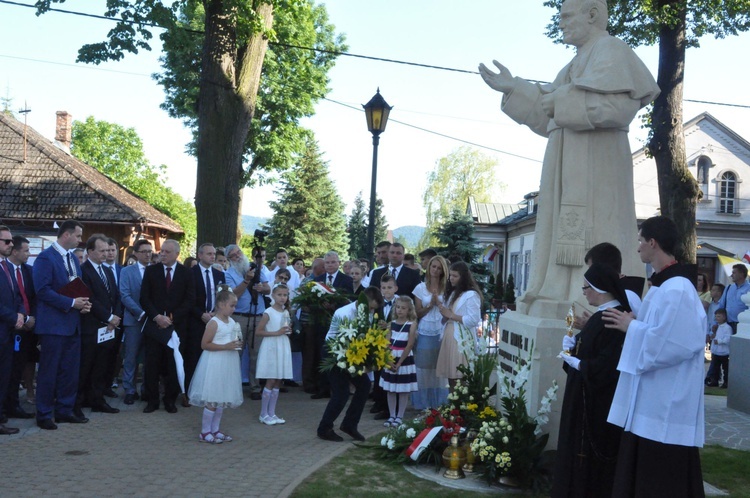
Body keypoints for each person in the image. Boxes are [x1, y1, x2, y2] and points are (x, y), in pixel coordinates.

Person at [479, 0, 659, 317]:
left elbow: (619, 110)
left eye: (566, 16)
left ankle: (589, 296)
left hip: (599, 164)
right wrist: (514, 88)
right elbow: (546, 116)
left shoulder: (613, 51)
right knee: (559, 232)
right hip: (564, 165)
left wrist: (563, 104)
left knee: (597, 229)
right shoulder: (571, 67)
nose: (560, 24)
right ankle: (556, 289)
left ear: (591, 15)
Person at [603, 216, 705, 497]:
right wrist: (637, 322)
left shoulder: (678, 289)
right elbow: (661, 332)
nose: (637, 249)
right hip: (653, 401)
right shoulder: (663, 287)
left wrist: (632, 327)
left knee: (661, 481)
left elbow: (675, 344)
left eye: (640, 241)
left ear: (653, 243)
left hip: (666, 406)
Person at [552, 264, 630, 498]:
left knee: (585, 455)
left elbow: (608, 365)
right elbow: (589, 350)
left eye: (586, 287)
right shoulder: (599, 316)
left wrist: (580, 364)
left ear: (600, 288)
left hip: (595, 402)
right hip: (582, 393)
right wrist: (572, 350)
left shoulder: (612, 317)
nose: (584, 292)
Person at [33, 220, 92, 430]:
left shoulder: (73, 259)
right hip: (53, 325)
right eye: (77, 236)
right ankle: (44, 413)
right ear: (66, 235)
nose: (80, 240)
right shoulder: (45, 257)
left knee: (70, 370)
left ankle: (65, 410)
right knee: (49, 371)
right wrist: (70, 303)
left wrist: (82, 304)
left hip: (72, 323)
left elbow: (75, 285)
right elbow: (42, 290)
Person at [317, 287, 384, 442]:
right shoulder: (344, 313)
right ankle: (324, 428)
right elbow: (341, 341)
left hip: (351, 353)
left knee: (364, 386)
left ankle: (350, 424)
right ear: (364, 301)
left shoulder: (365, 313)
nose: (372, 310)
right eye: (371, 307)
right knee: (341, 393)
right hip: (335, 352)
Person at [140, 239, 195, 414]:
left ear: (177, 254)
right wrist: (157, 317)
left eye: (167, 252)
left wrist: (171, 318)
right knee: (152, 364)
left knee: (173, 364)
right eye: (162, 251)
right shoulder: (151, 271)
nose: (162, 254)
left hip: (176, 327)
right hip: (155, 326)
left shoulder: (186, 273)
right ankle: (152, 401)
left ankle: (170, 400)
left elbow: (189, 300)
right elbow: (144, 298)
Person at [188, 284, 243, 444]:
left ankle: (215, 429)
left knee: (222, 398)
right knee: (212, 398)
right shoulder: (214, 323)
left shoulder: (232, 322)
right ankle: (205, 431)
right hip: (215, 363)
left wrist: (235, 344)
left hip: (228, 362)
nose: (233, 309)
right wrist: (225, 346)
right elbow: (205, 344)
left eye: (235, 306)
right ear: (220, 305)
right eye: (231, 306)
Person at [77, 234, 123, 416]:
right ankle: (78, 403)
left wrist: (116, 316)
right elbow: (90, 299)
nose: (105, 254)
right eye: (101, 250)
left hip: (108, 328)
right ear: (90, 251)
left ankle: (97, 399)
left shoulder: (107, 270)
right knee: (86, 366)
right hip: (92, 327)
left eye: (107, 250)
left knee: (101, 367)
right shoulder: (84, 271)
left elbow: (116, 296)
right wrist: (109, 317)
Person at [224, 245, 270, 400]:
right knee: (236, 353)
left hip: (258, 315)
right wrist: (246, 281)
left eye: (239, 253)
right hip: (239, 317)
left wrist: (262, 288)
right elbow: (234, 294)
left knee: (256, 354)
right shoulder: (229, 273)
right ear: (230, 259)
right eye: (234, 255)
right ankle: (232, 386)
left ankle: (255, 387)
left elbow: (268, 289)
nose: (238, 256)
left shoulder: (255, 267)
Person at [186, 243, 226, 406]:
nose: (212, 257)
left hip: (214, 320)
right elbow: (187, 298)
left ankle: (209, 392)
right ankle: (189, 393)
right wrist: (200, 314)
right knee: (193, 356)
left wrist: (216, 314)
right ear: (200, 255)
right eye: (209, 254)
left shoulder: (219, 274)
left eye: (214, 254)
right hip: (196, 320)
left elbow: (223, 297)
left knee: (211, 358)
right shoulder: (190, 274)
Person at [3, 235, 37, 421]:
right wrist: (19, 319)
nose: (28, 254)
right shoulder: (4, 270)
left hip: (28, 327)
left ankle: (14, 404)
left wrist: (29, 318)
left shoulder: (29, 272)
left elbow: (30, 297)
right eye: (25, 250)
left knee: (19, 367)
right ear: (14, 251)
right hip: (10, 327)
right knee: (7, 370)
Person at [436, 261, 482, 389]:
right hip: (450, 335)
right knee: (451, 375)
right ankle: (453, 404)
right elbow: (448, 314)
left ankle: (461, 404)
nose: (451, 279)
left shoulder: (471, 295)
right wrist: (444, 314)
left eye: (455, 276)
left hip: (461, 339)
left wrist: (451, 315)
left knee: (459, 375)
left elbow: (473, 319)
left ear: (463, 277)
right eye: (450, 275)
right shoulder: (453, 293)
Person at [412, 255, 449, 409]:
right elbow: (417, 313)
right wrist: (430, 305)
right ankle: (423, 404)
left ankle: (440, 403)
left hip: (441, 328)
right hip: (425, 329)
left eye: (439, 268)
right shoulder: (420, 288)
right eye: (433, 266)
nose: (435, 270)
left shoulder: (447, 288)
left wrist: (439, 305)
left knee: (439, 368)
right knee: (423, 367)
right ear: (429, 268)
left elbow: (450, 310)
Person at [254, 284, 294, 425]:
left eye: (285, 295)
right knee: (271, 379)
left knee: (278, 380)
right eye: (279, 295)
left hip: (282, 345)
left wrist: (287, 331)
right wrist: (276, 333)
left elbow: (285, 327)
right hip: (271, 346)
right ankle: (263, 414)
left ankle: (272, 413)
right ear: (273, 296)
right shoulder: (268, 312)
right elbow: (258, 331)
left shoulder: (285, 312)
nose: (283, 298)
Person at [119, 238, 151, 405]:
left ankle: (146, 388)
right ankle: (129, 389)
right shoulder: (127, 271)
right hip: (134, 319)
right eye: (144, 251)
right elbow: (124, 295)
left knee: (148, 356)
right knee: (131, 356)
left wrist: (152, 314)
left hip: (152, 321)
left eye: (149, 251)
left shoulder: (155, 270)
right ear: (136, 254)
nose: (148, 254)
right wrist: (141, 313)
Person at [380, 296, 418, 428]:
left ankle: (400, 416)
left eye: (403, 308)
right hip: (391, 357)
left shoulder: (411, 325)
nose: (400, 310)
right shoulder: (391, 324)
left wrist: (400, 362)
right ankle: (391, 415)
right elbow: (386, 343)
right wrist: (388, 360)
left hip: (404, 358)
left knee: (402, 390)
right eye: (398, 307)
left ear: (409, 310)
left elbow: (409, 345)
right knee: (391, 389)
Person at [0, 226, 24, 434]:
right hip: (3, 327)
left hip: (7, 334)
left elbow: (16, 295)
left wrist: (20, 314)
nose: (10, 245)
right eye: (6, 241)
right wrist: (13, 317)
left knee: (4, 378)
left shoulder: (6, 267)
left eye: (10, 241)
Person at [717, 263, 750, 334]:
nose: (731, 275)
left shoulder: (748, 288)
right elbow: (721, 306)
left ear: (741, 274)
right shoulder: (729, 288)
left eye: (734, 273)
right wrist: (716, 322)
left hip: (743, 325)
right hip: (727, 325)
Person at [706, 308, 731, 389]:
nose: (717, 318)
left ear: (724, 317)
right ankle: (714, 381)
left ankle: (726, 382)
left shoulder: (727, 328)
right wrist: (712, 337)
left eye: (719, 316)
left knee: (725, 368)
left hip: (724, 352)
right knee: (715, 368)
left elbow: (728, 339)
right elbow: (713, 336)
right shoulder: (716, 327)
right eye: (716, 316)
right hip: (716, 351)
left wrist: (719, 341)